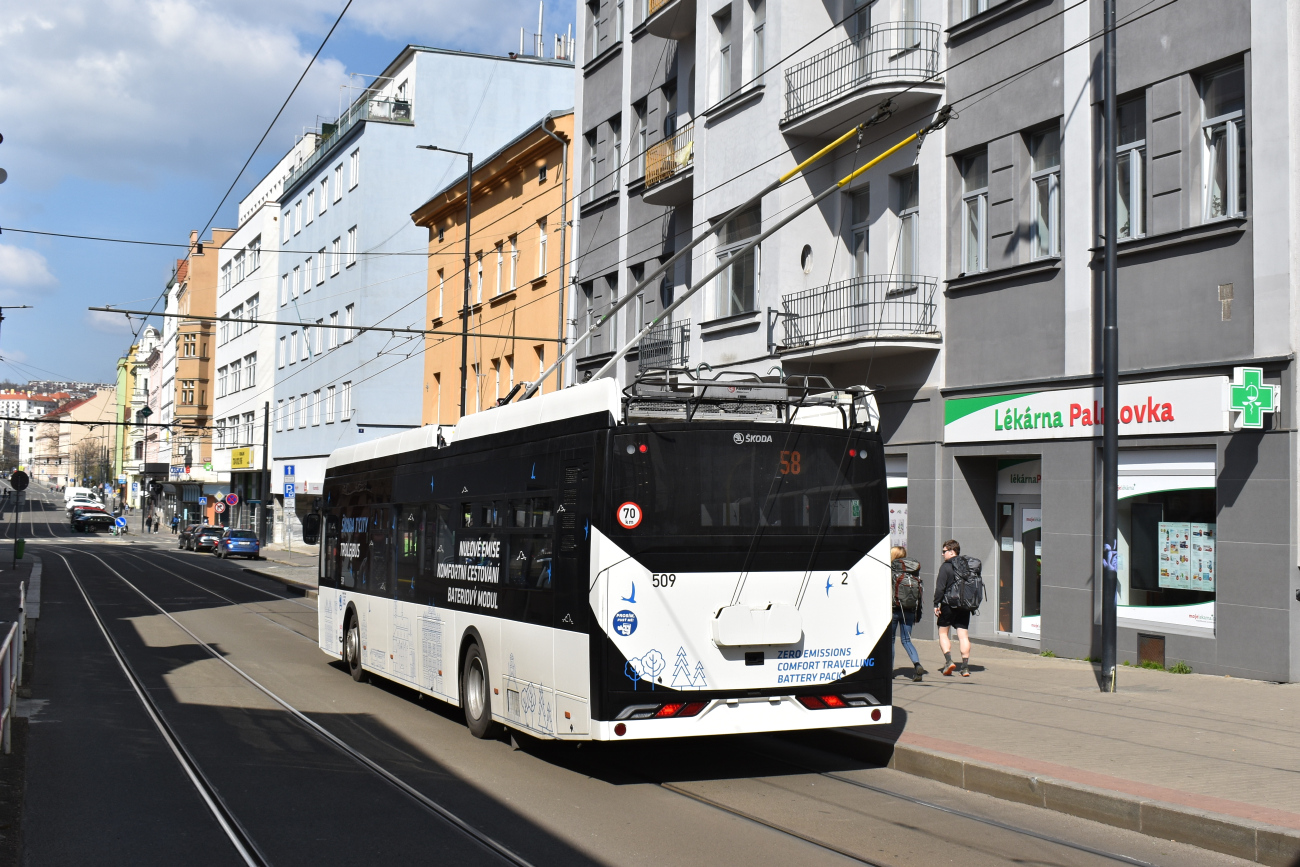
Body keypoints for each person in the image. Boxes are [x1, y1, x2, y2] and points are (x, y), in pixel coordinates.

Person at [933, 539, 973, 677]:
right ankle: (965, 667)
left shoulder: (946, 566)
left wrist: (936, 604)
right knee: (963, 636)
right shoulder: (967, 565)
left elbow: (940, 588)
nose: (942, 554)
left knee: (943, 633)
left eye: (944, 551)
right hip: (965, 605)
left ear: (951, 551)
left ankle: (949, 661)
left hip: (948, 604)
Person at [890, 546, 926, 682]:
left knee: (891, 641)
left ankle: (890, 671)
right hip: (909, 609)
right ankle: (917, 665)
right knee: (906, 640)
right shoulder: (913, 570)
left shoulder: (891, 569)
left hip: (893, 609)